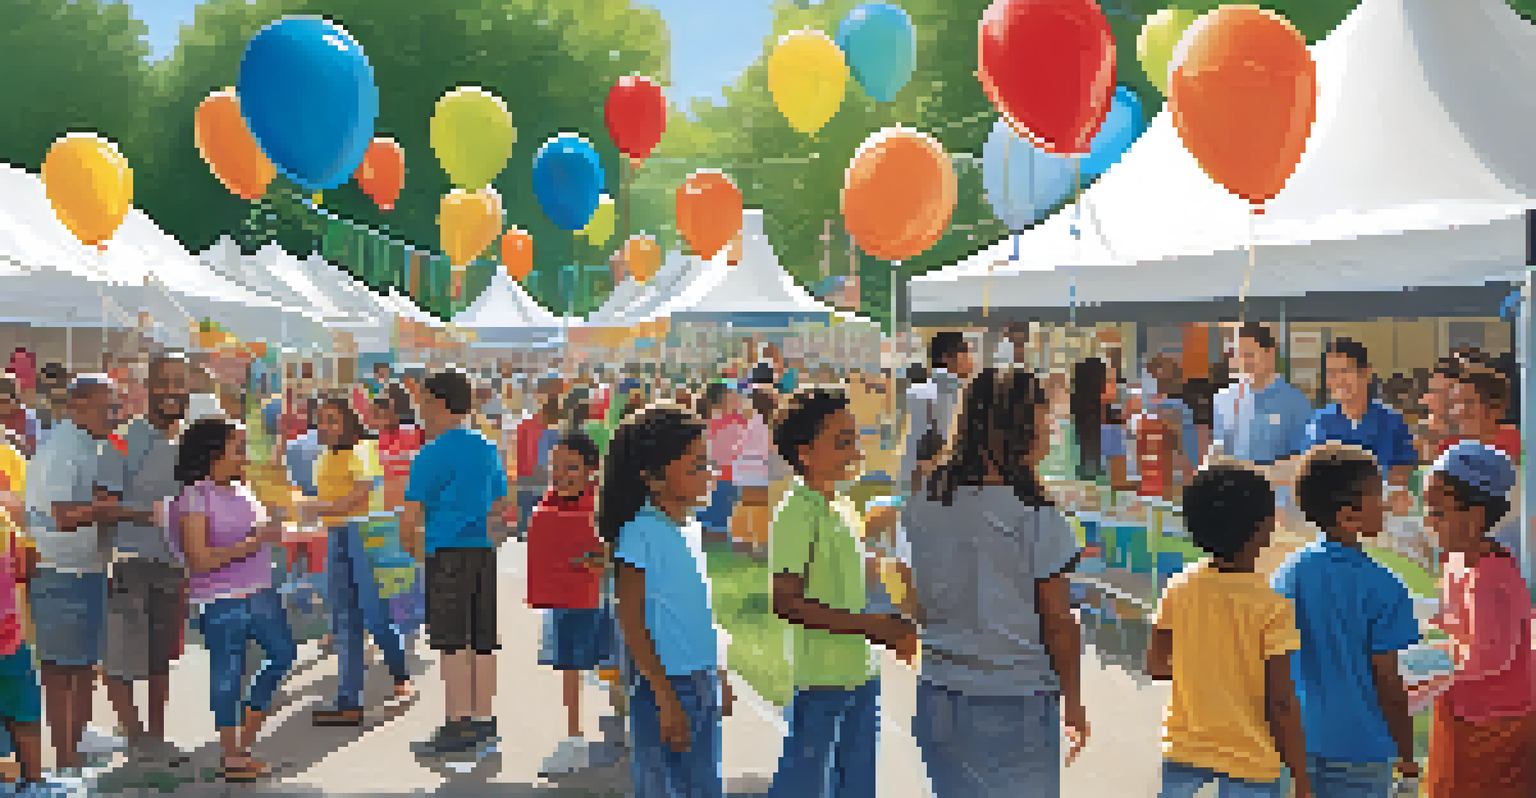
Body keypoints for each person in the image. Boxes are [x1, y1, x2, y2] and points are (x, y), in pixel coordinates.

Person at [903, 368, 1087, 797]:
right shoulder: (1036, 516)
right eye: (1045, 419)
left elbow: (916, 599)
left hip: (939, 694)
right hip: (1017, 702)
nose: (1051, 430)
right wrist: (1074, 701)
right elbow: (1058, 622)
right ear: (1021, 429)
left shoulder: (925, 502)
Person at [766, 389, 916, 798]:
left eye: (854, 438)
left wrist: (894, 613)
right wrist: (872, 626)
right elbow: (785, 601)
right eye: (842, 441)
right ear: (805, 453)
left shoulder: (843, 506)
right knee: (805, 785)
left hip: (862, 675)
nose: (855, 451)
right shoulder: (797, 512)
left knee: (856, 785)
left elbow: (849, 577)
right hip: (822, 682)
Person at [1147, 465, 1311, 798]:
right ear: (1264, 528)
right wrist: (1301, 780)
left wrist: (1207, 676)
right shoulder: (1273, 607)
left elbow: (1157, 665)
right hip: (1250, 771)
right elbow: (1281, 703)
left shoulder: (1179, 587)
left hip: (1182, 759)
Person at [1272, 445, 1421, 797]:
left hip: (1293, 745)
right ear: (1348, 515)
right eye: (1377, 496)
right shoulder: (1385, 586)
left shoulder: (1286, 575)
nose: (1385, 505)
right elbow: (1389, 684)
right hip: (1361, 753)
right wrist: (1407, 756)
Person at [602, 405, 733, 798]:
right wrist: (664, 695)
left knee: (704, 787)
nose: (709, 474)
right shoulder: (639, 534)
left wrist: (719, 672)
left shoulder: (689, 527)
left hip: (702, 681)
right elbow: (631, 620)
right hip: (665, 687)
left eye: (707, 462)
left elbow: (696, 611)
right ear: (653, 478)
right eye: (696, 466)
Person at [168, 419, 296, 782]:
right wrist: (257, 541)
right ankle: (233, 754)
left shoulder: (243, 488)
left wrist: (270, 531)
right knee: (228, 673)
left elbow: (253, 532)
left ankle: (243, 743)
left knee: (283, 654)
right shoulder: (194, 496)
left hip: (261, 591)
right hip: (220, 599)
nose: (244, 454)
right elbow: (200, 558)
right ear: (213, 453)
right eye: (237, 447)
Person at [1413, 444, 1534, 797]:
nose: (1428, 523)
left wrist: (1424, 670)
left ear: (1476, 517)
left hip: (1497, 723)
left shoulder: (1490, 577)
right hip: (1461, 707)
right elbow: (1455, 621)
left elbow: (1489, 657)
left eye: (1437, 513)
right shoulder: (1456, 562)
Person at [402, 371, 511, 757]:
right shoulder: (486, 447)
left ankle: (456, 723)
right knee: (483, 640)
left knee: (452, 643)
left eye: (423, 401)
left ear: (439, 403)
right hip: (481, 551)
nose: (420, 409)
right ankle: (483, 720)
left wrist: (416, 549)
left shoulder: (429, 454)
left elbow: (409, 518)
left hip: (444, 552)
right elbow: (500, 502)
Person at [96, 356, 193, 768]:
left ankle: (155, 738)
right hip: (129, 563)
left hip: (172, 564)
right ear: (148, 387)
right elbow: (103, 506)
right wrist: (153, 514)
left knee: (159, 659)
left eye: (179, 382)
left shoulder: (185, 443)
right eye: (164, 382)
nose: (172, 390)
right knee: (120, 659)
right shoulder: (121, 440)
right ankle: (136, 737)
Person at [24, 376, 122, 775]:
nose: (114, 416)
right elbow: (64, 516)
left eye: (115, 408)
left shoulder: (88, 445)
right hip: (58, 573)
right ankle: (65, 764)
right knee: (60, 671)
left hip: (86, 570)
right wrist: (117, 508)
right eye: (107, 408)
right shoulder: (60, 450)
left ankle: (75, 757)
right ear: (77, 406)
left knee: (83, 667)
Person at [304, 395, 413, 726]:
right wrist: (315, 509)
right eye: (320, 420)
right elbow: (328, 501)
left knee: (376, 615)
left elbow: (359, 495)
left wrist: (315, 507)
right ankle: (348, 700)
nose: (324, 426)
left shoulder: (364, 449)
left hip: (365, 535)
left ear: (350, 422)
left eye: (332, 419)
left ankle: (401, 676)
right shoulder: (323, 457)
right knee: (345, 619)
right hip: (337, 535)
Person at [527, 432, 613, 769]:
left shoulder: (603, 507)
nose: (561, 474)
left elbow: (620, 550)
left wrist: (603, 559)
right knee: (570, 664)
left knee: (614, 660)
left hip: (602, 596)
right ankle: (574, 734)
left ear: (591, 470)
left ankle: (624, 720)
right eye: (556, 467)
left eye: (571, 467)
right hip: (566, 599)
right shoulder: (547, 505)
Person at [1303, 339, 1419, 513]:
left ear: (1366, 373)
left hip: (1382, 509)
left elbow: (1403, 472)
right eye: (1331, 373)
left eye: (1344, 371)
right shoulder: (1320, 422)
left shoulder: (1392, 421)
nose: (1338, 380)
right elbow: (1313, 472)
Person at [0, 421, 42, 791]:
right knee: (22, 710)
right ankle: (30, 781)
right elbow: (26, 564)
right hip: (10, 635)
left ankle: (29, 780)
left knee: (22, 709)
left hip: (10, 634)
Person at [1210, 323, 1313, 469]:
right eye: (1238, 355)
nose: (1243, 361)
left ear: (1270, 353)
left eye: (1249, 355)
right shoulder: (1223, 399)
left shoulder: (1296, 401)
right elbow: (1218, 452)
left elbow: (1302, 458)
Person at [901, 333, 974, 492]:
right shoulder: (951, 390)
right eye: (967, 352)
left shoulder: (914, 391)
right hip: (936, 483)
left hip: (911, 480)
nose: (971, 359)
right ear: (949, 357)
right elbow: (944, 444)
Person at [1070, 358, 1134, 488]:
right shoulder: (1111, 418)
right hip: (1105, 489)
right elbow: (1119, 478)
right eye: (1110, 380)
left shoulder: (1071, 416)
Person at [697, 383, 745, 538]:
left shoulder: (738, 423)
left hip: (730, 481)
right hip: (718, 481)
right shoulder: (709, 424)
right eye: (732, 397)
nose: (737, 400)